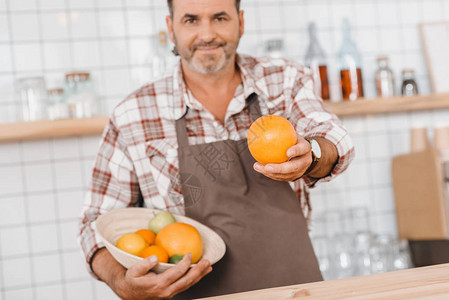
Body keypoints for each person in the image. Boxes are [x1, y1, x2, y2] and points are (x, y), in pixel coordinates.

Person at [78, 0, 355, 299]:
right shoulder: (132, 115)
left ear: (241, 22)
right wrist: (122, 283)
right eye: (191, 20)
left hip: (297, 291)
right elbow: (94, 224)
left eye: (220, 17)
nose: (207, 33)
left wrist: (312, 153)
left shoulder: (285, 81)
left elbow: (332, 137)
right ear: (171, 28)